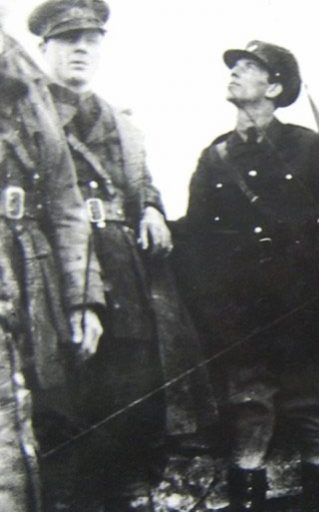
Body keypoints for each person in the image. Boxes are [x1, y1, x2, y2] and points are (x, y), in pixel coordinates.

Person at [29, 0, 217, 509]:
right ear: (43, 47)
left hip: (125, 269)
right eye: (69, 40)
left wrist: (152, 207)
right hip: (57, 269)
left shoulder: (118, 121)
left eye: (91, 41)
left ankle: (130, 492)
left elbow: (141, 181)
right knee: (66, 397)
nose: (81, 50)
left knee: (133, 391)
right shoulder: (26, 118)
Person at [183, 39, 319, 511]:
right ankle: (247, 496)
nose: (235, 73)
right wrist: (216, 308)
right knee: (248, 404)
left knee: (313, 406)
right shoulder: (214, 156)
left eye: (249, 67)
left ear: (275, 87)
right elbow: (198, 240)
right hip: (242, 309)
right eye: (236, 66)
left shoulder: (308, 147)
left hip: (305, 303)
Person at [0, 30, 104, 511]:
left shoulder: (23, 78)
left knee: (37, 424)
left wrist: (83, 301)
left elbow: (65, 199)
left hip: (30, 279)